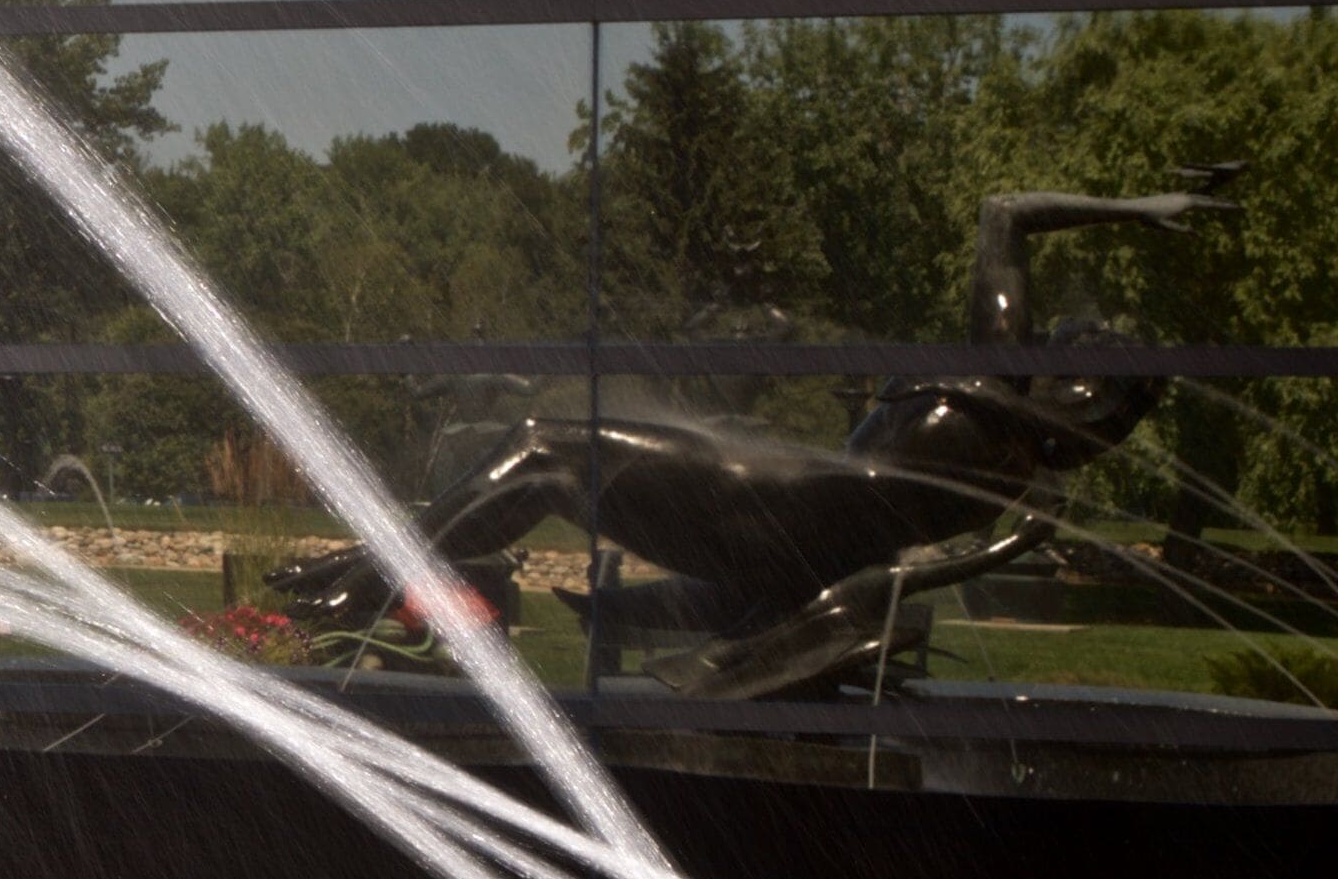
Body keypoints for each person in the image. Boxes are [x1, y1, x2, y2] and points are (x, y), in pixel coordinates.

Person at [273, 176, 1236, 695]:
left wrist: (1138, 212)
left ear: (1074, 373)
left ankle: (356, 587)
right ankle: (359, 581)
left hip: (773, 508)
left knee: (540, 450)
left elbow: (1006, 211)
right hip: (789, 513)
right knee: (537, 448)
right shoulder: (1019, 458)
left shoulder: (997, 391)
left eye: (1079, 340)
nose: (1061, 331)